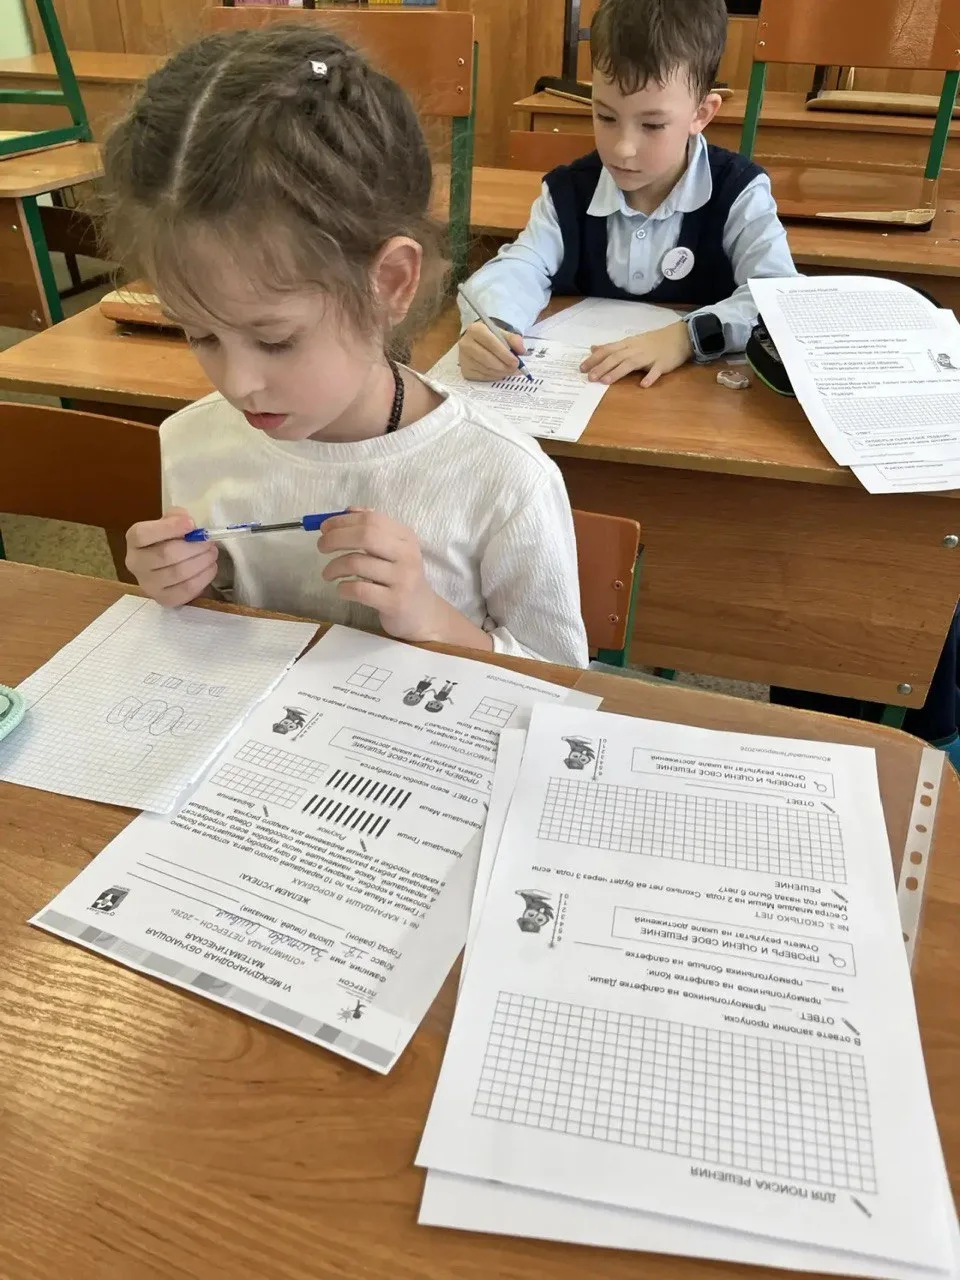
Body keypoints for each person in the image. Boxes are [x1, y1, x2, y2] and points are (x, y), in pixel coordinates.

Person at [112, 26, 588, 668]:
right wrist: (183, 589)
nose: (238, 383)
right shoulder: (193, 444)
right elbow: (215, 635)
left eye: (275, 339)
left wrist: (431, 617)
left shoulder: (502, 480)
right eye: (199, 334)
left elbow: (559, 685)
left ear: (389, 284)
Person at [458, 0, 796, 389]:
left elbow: (780, 299)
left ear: (701, 114)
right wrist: (494, 324)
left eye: (652, 125)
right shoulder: (567, 192)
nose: (622, 149)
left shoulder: (739, 192)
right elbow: (521, 266)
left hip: (695, 400)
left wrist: (687, 336)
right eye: (605, 117)